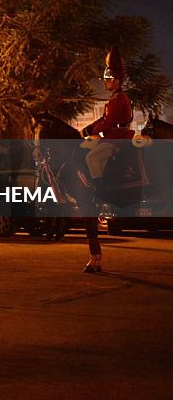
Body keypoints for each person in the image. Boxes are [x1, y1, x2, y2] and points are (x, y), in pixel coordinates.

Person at [80, 45, 133, 273]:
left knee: (92, 156)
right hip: (112, 135)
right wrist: (88, 129)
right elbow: (103, 120)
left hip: (118, 138)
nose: (106, 83)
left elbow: (108, 123)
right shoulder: (113, 98)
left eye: (109, 80)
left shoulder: (120, 99)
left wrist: (93, 130)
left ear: (117, 81)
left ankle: (100, 192)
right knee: (84, 147)